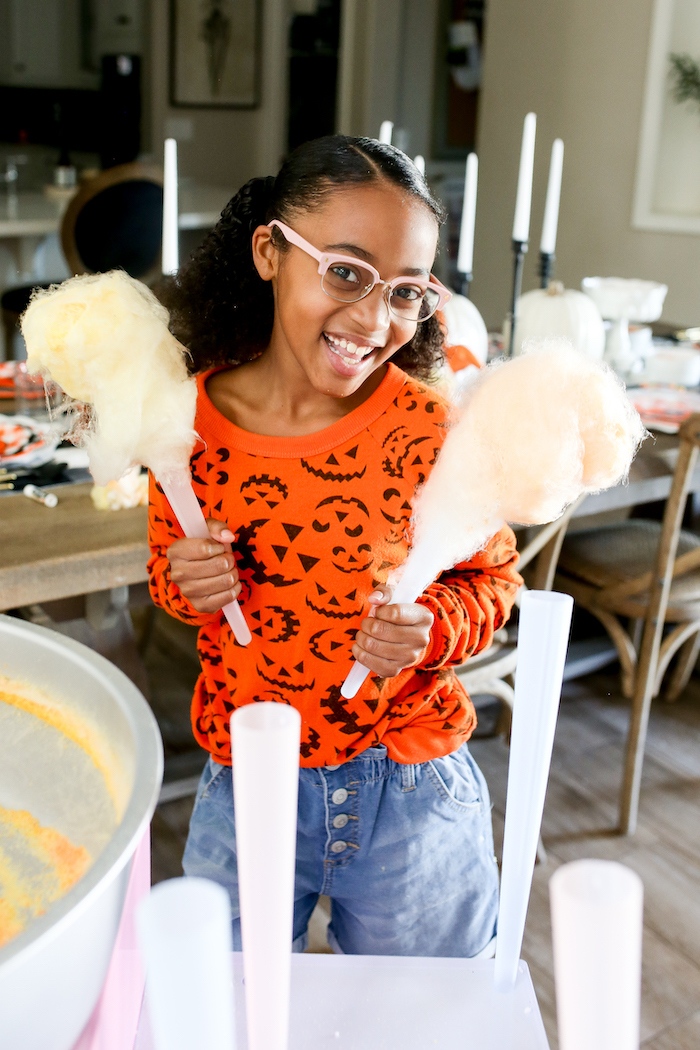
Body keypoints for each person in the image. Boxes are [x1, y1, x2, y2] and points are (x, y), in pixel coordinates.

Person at [148, 135, 522, 958]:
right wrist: (190, 585)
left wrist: (433, 625)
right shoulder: (183, 430)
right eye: (346, 272)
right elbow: (169, 579)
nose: (372, 319)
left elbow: (493, 581)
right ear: (270, 252)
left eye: (407, 293)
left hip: (410, 783)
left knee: (427, 1024)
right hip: (247, 780)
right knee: (224, 1012)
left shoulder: (429, 434)